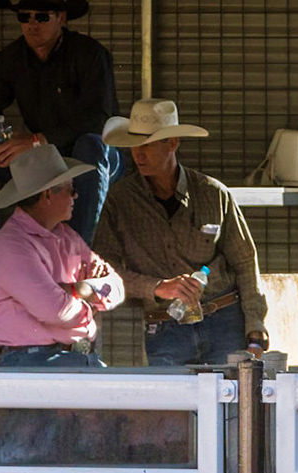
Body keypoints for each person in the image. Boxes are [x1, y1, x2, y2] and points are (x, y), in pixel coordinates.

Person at [0, 0, 121, 279]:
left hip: (92, 156)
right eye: (24, 16)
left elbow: (100, 119)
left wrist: (39, 139)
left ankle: (74, 260)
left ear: (61, 17)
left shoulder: (90, 53)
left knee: (91, 144)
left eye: (41, 16)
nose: (31, 23)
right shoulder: (10, 59)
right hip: (43, 160)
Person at [94, 98, 268, 366]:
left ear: (171, 144)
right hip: (164, 325)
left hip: (224, 317)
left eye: (148, 145)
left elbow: (245, 262)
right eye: (134, 147)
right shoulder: (119, 201)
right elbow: (106, 270)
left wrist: (255, 328)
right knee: (173, 405)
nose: (138, 155)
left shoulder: (213, 194)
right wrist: (157, 287)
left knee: (234, 405)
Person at [0, 142, 122, 368]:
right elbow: (55, 310)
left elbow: (116, 286)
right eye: (71, 190)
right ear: (48, 195)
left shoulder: (68, 237)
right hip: (33, 362)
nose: (76, 196)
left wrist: (77, 289)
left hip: (67, 358)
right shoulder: (9, 245)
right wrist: (89, 303)